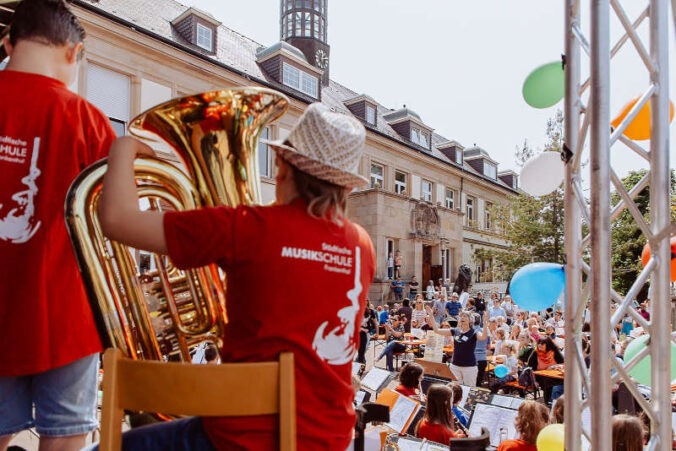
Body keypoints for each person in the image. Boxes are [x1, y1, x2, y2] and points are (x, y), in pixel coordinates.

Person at [97, 103, 376, 449]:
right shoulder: (362, 246)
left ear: (283, 166)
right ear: (347, 189)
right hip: (330, 439)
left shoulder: (249, 227)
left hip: (237, 440)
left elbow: (117, 219)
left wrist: (122, 147)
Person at [0, 2, 117, 450]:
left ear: (8, 43)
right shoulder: (89, 120)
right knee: (67, 434)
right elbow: (112, 225)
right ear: (75, 53)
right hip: (65, 316)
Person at [426, 308, 489, 385]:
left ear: (470, 320)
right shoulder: (455, 330)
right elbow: (437, 331)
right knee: (455, 388)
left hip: (469, 367)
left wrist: (485, 322)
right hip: (455, 366)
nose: (462, 317)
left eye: (465, 316)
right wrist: (431, 316)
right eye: (461, 316)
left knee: (469, 389)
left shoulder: (474, 332)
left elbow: (483, 337)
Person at [527, 337, 564, 405]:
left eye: (542, 344)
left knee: (562, 382)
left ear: (548, 345)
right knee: (547, 381)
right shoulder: (535, 353)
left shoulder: (554, 352)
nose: (540, 345)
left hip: (555, 374)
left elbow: (562, 363)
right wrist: (534, 381)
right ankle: (548, 401)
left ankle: (558, 401)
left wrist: (554, 366)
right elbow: (531, 368)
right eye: (539, 343)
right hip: (540, 376)